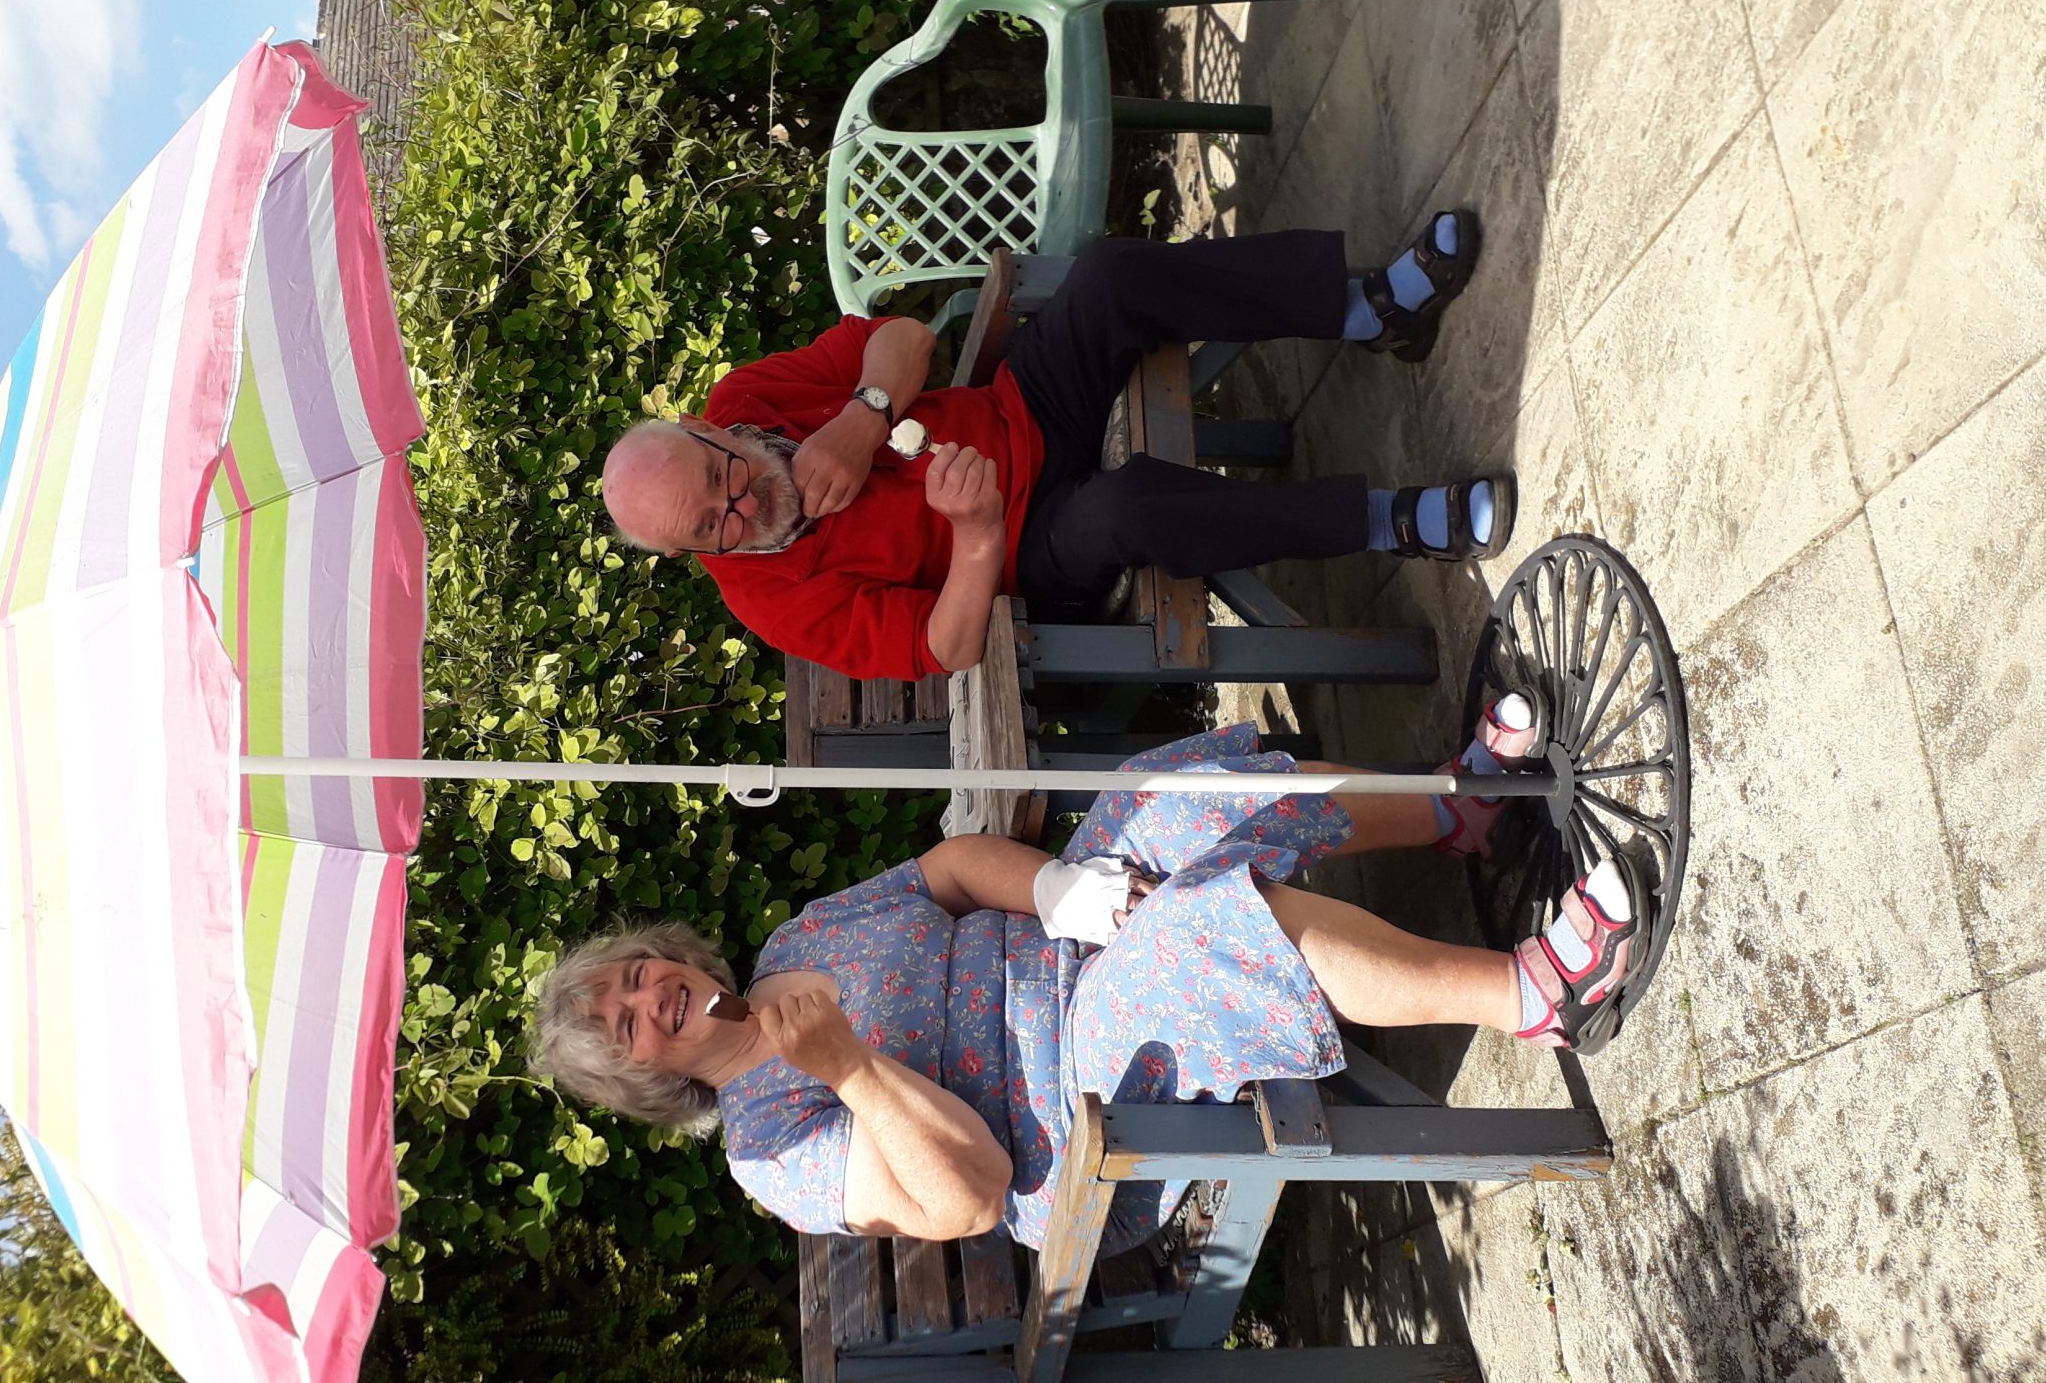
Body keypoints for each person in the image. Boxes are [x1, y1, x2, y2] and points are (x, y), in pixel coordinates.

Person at [529, 697, 1661, 1253]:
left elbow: (945, 874)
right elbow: (971, 1197)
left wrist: (1061, 891)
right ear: (647, 1074)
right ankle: (1532, 995)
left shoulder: (793, 945)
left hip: (1068, 944)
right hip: (1070, 1116)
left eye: (632, 974)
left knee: (1169, 798)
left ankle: (1453, 809)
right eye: (626, 1025)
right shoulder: (767, 1147)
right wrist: (852, 1071)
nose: (646, 996)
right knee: (1191, 937)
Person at [598, 217, 1516, 680]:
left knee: (1111, 274)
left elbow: (906, 339)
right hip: (1030, 547)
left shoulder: (748, 401)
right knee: (1126, 510)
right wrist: (976, 536)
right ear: (688, 555)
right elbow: (946, 647)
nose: (743, 502)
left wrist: (861, 417)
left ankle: (1368, 310)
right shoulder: (768, 600)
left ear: (705, 429)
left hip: (1020, 409)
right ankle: (1393, 522)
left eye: (720, 474)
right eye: (713, 525)